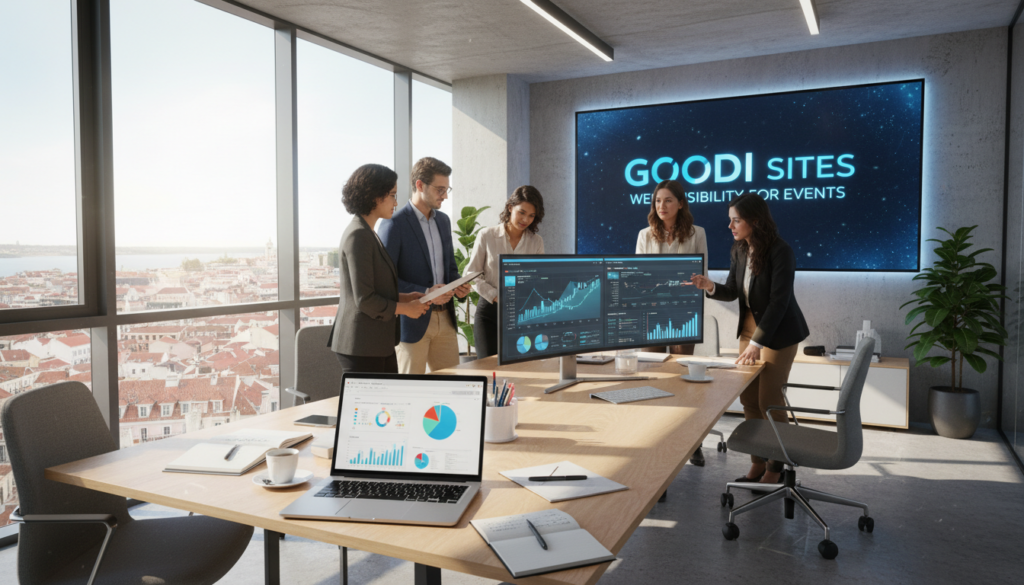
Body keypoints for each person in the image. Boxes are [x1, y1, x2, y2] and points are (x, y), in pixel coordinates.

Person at [691, 193, 809, 487]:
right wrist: (710, 287)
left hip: (777, 335)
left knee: (769, 401)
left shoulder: (781, 252)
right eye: (730, 219)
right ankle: (757, 463)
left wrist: (758, 343)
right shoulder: (739, 250)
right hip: (748, 333)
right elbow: (732, 290)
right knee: (748, 400)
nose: (730, 225)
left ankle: (777, 466)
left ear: (754, 221)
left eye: (736, 220)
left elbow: (779, 303)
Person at [328, 164, 430, 374]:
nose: (396, 202)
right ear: (375, 196)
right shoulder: (359, 235)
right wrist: (406, 310)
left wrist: (405, 297)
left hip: (375, 342)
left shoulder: (369, 232)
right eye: (392, 195)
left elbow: (375, 288)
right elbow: (364, 299)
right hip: (361, 344)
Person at [636, 179, 709, 465]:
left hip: (683, 311)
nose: (662, 206)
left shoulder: (696, 233)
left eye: (668, 200)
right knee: (653, 378)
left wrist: (665, 281)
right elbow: (640, 274)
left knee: (681, 379)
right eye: (657, 201)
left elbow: (698, 274)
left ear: (680, 203)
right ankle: (654, 442)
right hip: (651, 312)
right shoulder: (645, 235)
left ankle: (691, 442)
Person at [378, 157, 471, 374]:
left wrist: (459, 287)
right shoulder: (394, 224)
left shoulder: (444, 221)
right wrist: (427, 293)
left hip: (446, 321)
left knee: (450, 391)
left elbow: (450, 270)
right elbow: (385, 281)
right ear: (420, 185)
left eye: (447, 189)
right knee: (410, 393)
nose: (445, 196)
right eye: (440, 189)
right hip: (412, 323)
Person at [465, 185, 546, 358]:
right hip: (489, 313)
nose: (525, 219)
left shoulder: (536, 242)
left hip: (523, 315)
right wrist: (494, 295)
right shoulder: (487, 235)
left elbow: (539, 279)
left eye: (531, 215)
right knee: (488, 369)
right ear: (510, 207)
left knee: (522, 369)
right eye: (522, 212)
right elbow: (471, 275)